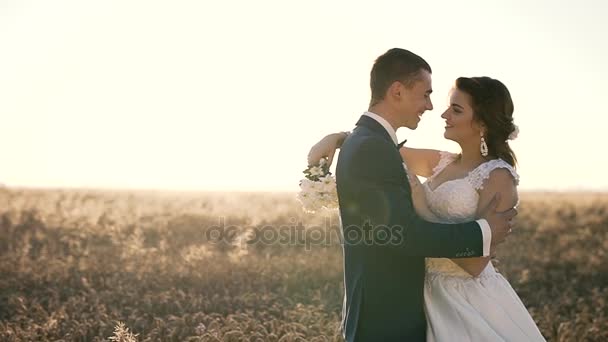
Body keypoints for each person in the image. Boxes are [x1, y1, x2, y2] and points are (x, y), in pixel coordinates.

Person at [308, 52, 545, 340]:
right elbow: (379, 146)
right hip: (420, 296)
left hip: (463, 303)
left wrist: (423, 205)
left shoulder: (499, 177)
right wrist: (334, 137)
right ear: (397, 91)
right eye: (441, 103)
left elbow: (475, 265)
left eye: (456, 110)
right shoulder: (440, 161)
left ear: (482, 124)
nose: (440, 113)